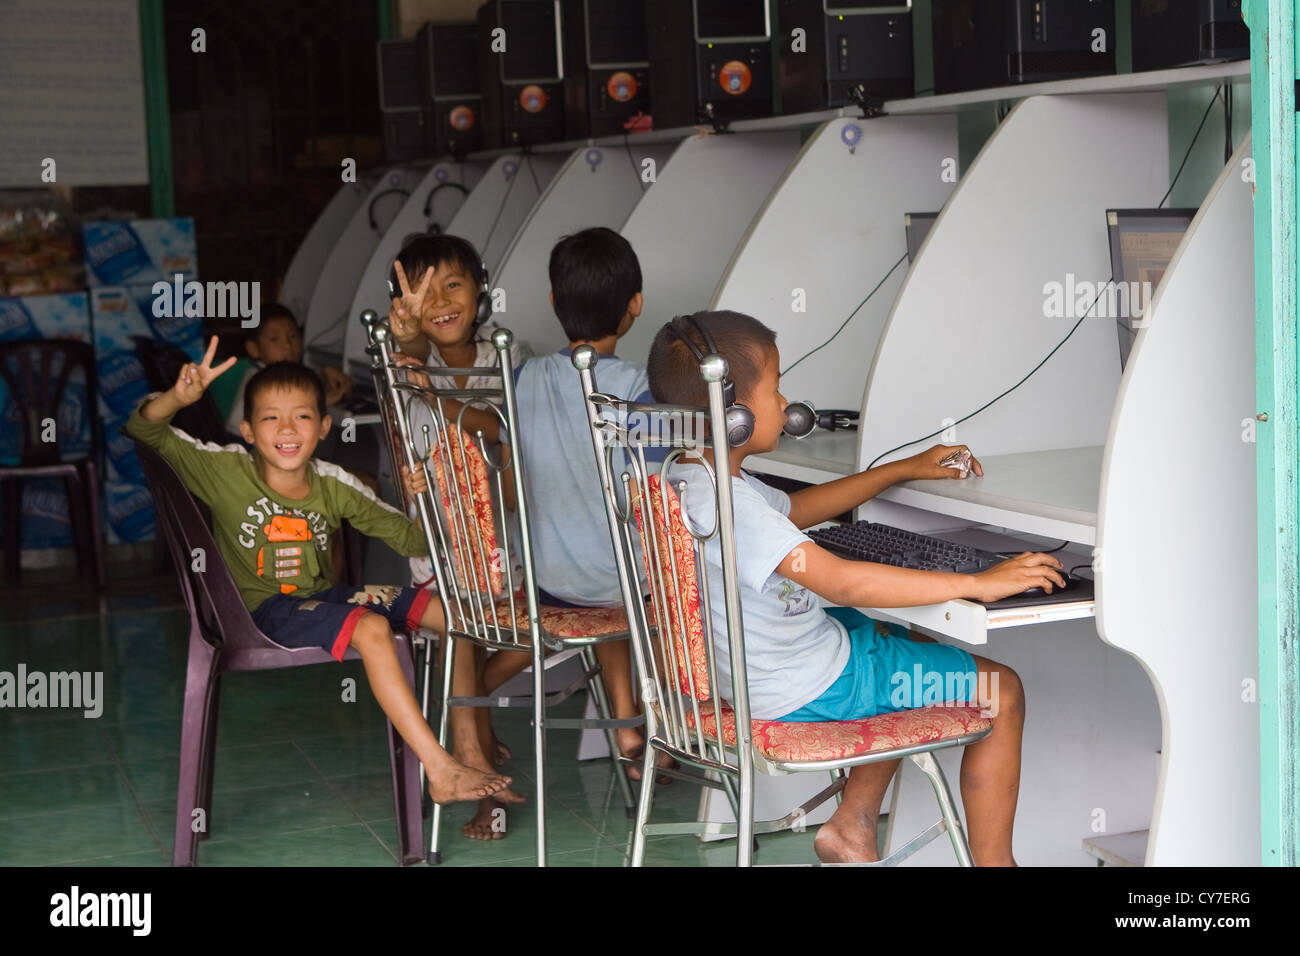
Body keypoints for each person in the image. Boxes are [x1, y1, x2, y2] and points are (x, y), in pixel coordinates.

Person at [646, 310, 1068, 867]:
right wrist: (979, 582)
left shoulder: (692, 479)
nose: (785, 402)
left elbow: (795, 509)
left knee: (897, 638)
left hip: (751, 675)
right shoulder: (735, 507)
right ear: (736, 416)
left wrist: (899, 470)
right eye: (776, 388)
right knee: (1003, 690)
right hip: (808, 686)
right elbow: (841, 582)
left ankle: (852, 824)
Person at [125, 337, 512, 808]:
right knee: (370, 628)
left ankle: (471, 744)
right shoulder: (224, 469)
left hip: (325, 601)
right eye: (271, 418)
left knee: (451, 614)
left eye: (302, 416)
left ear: (324, 426)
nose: (287, 429)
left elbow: (412, 542)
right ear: (247, 430)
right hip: (259, 612)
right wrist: (177, 399)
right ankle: (439, 768)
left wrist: (422, 499)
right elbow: (145, 432)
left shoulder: (335, 483)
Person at [211, 303, 352, 435]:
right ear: (254, 348)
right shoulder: (258, 381)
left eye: (293, 336)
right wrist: (322, 402)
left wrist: (326, 375)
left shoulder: (287, 372)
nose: (288, 345)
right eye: (274, 339)